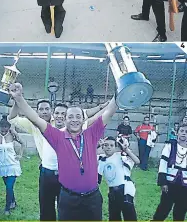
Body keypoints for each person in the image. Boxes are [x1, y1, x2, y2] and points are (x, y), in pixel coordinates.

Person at [9, 82, 118, 221]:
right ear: (64, 119)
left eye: (78, 117)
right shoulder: (57, 137)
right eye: (70, 117)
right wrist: (19, 98)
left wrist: (119, 93)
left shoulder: (91, 134)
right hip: (68, 198)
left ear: (83, 119)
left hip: (92, 198)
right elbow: (35, 118)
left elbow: (109, 112)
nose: (74, 120)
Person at [98, 136, 139, 221]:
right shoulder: (101, 159)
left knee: (129, 214)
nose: (108, 147)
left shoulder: (119, 156)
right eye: (106, 145)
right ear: (103, 147)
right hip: (112, 191)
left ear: (115, 147)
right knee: (114, 216)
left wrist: (126, 150)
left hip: (125, 189)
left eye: (111, 145)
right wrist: (97, 146)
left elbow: (137, 161)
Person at [152, 124, 187, 221]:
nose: (184, 133)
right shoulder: (170, 146)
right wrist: (163, 182)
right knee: (163, 208)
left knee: (181, 211)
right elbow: (163, 164)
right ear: (177, 133)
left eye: (186, 132)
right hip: (170, 182)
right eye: (182, 131)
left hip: (185, 185)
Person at [0, 115, 24, 216]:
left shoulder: (12, 135)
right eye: (2, 127)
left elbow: (23, 143)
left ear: (9, 127)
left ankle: (7, 208)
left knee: (9, 187)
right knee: (8, 186)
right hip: (2, 165)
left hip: (12, 165)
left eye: (6, 127)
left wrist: (20, 154)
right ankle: (13, 202)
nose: (4, 129)